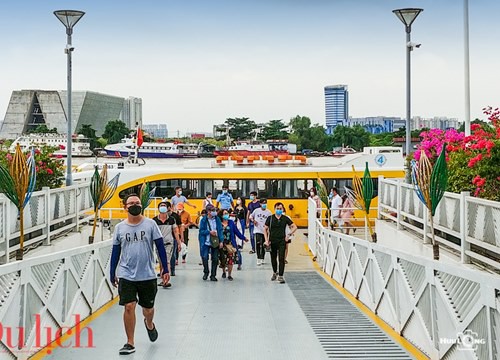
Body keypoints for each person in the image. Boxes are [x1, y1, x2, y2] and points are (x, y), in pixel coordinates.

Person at [110, 194, 170, 355]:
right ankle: (130, 342)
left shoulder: (150, 224)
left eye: (137, 202)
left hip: (147, 275)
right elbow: (115, 251)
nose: (135, 205)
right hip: (126, 274)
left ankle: (149, 324)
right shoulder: (120, 228)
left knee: (148, 309)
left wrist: (165, 268)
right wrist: (112, 272)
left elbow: (160, 247)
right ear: (125, 207)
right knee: (129, 307)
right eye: (131, 203)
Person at [264, 202, 297, 284]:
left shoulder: (285, 218)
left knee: (281, 258)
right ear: (274, 209)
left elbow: (294, 226)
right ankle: (275, 272)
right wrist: (266, 240)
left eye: (280, 209)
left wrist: (288, 234)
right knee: (273, 258)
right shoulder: (270, 218)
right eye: (277, 209)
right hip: (272, 240)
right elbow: (265, 229)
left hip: (282, 240)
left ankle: (281, 275)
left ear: (282, 209)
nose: (279, 210)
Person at [152, 201, 180, 288]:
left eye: (164, 206)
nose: (163, 207)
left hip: (169, 243)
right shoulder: (154, 220)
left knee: (167, 260)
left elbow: (175, 231)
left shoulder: (171, 219)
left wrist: (178, 242)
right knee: (161, 261)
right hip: (159, 244)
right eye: (161, 206)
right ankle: (163, 278)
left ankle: (166, 280)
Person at [219, 209, 246, 281]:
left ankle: (229, 275)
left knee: (230, 260)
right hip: (222, 244)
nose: (226, 215)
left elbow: (236, 232)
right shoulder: (218, 223)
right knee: (223, 259)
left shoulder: (231, 222)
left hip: (230, 244)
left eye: (227, 213)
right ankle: (224, 271)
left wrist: (243, 238)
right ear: (221, 215)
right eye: (225, 213)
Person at [198, 205, 223, 281]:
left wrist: (221, 241)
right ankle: (206, 272)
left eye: (214, 210)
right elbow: (201, 231)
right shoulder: (203, 220)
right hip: (206, 241)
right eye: (212, 210)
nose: (214, 212)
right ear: (208, 212)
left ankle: (213, 275)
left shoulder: (217, 219)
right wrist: (209, 232)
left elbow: (220, 230)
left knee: (215, 259)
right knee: (204, 257)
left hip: (215, 242)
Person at [249, 198, 272, 266]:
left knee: (264, 244)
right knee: (258, 243)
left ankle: (262, 257)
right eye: (263, 203)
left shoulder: (269, 212)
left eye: (265, 203)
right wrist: (253, 221)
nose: (264, 204)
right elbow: (251, 216)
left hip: (265, 231)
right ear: (260, 204)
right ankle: (258, 258)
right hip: (257, 230)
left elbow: (270, 222)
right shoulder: (256, 211)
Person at [167, 202, 182, 275]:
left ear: (170, 207)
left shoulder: (175, 216)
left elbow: (179, 227)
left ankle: (172, 270)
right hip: (163, 239)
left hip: (173, 238)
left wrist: (180, 238)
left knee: (172, 254)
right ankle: (164, 270)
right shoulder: (159, 217)